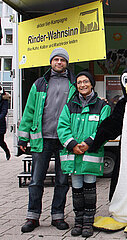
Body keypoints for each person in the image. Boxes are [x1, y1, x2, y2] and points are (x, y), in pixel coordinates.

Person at [18, 47, 76, 233]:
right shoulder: (39, 84)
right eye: (56, 59)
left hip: (64, 141)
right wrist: (22, 137)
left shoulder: (73, 84)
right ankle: (32, 217)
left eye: (62, 60)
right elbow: (29, 112)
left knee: (61, 180)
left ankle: (57, 216)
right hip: (41, 140)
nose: (59, 62)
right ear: (51, 62)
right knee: (36, 180)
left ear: (67, 63)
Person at [57, 71, 111, 237]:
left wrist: (88, 143)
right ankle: (78, 221)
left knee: (89, 187)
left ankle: (88, 221)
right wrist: (72, 144)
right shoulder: (69, 105)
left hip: (90, 156)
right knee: (77, 189)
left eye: (86, 81)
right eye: (79, 82)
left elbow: (104, 128)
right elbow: (62, 126)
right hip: (74, 155)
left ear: (92, 84)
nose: (82, 85)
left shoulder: (103, 106)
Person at [0, 86, 11, 160]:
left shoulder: (4, 99)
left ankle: (7, 151)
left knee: (0, 142)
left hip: (0, 124)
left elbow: (4, 112)